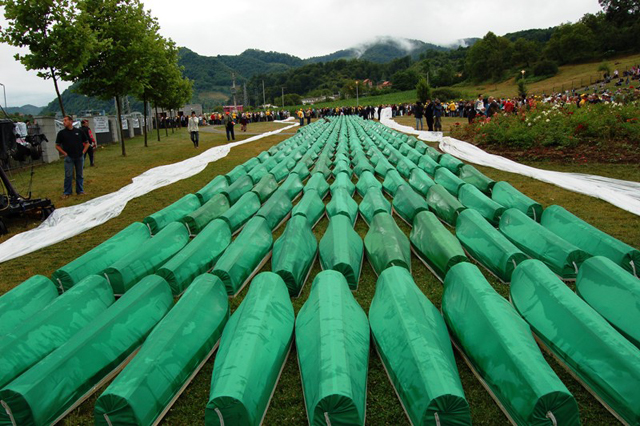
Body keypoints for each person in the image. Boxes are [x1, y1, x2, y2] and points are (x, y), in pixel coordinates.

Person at [55, 115, 89, 198]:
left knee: (80, 174)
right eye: (63, 121)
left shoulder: (79, 131)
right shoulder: (61, 133)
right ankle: (67, 192)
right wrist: (64, 153)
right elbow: (57, 145)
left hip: (79, 156)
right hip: (69, 157)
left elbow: (87, 143)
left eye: (66, 120)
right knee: (68, 175)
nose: (64, 122)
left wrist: (83, 152)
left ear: (71, 121)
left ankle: (80, 190)